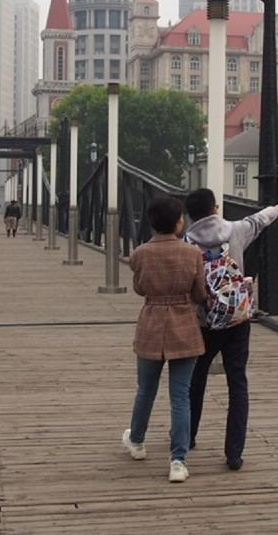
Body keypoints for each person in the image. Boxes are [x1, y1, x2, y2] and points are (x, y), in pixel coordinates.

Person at [183, 189, 278, 471]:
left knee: (196, 379)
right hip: (237, 317)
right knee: (237, 382)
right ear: (215, 208)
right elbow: (260, 219)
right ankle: (234, 452)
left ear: (190, 215)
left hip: (204, 321)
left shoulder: (186, 243)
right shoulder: (236, 230)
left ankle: (188, 436)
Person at [122, 196, 208, 484]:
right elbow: (200, 294)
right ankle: (178, 461)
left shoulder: (140, 254)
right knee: (180, 396)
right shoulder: (192, 254)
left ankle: (137, 441)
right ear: (178, 222)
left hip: (151, 324)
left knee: (146, 390)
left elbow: (139, 288)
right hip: (184, 325)